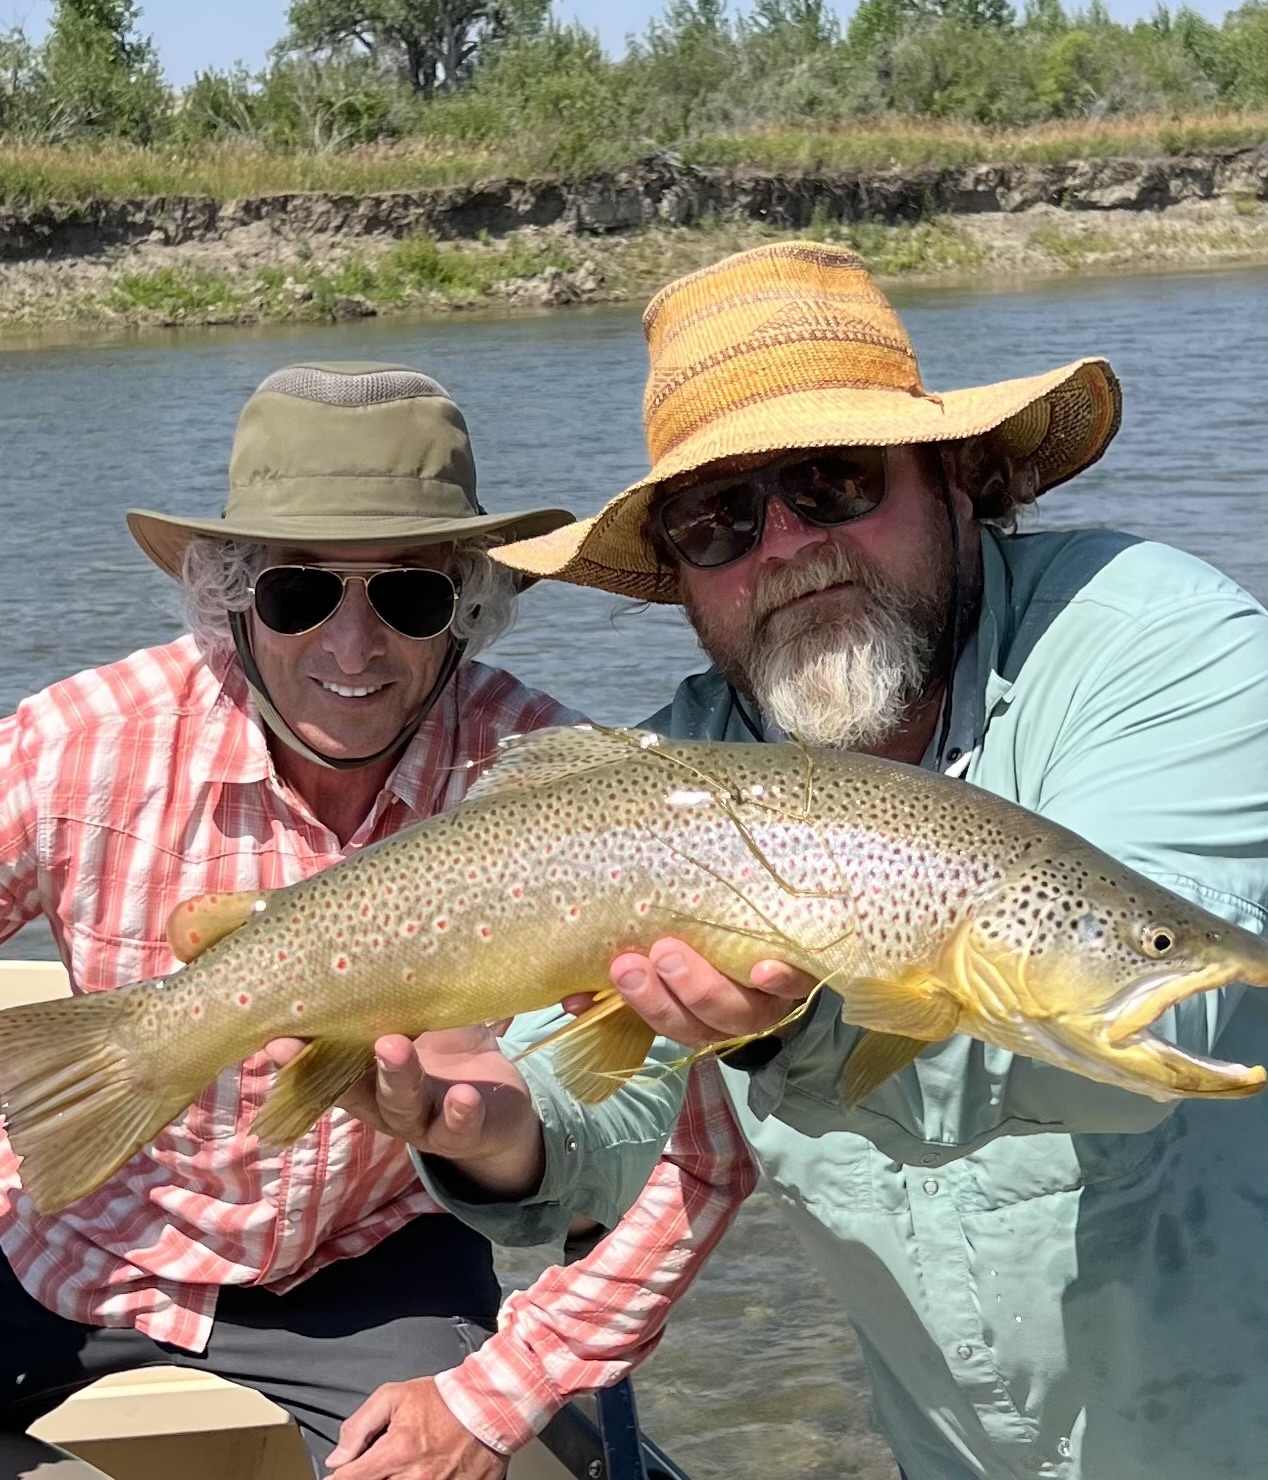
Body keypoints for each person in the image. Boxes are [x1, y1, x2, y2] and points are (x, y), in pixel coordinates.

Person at [335, 245, 1268, 1480]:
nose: (781, 546)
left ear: (958, 476)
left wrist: (790, 1031)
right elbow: (606, 1115)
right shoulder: (675, 770)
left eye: (830, 480)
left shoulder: (1153, 641)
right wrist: (491, 1128)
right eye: (714, 519)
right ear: (676, 578)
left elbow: (1175, 1016)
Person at [0, 360, 681, 1475]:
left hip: (369, 1263)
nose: (351, 647)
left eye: (407, 594)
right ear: (231, 596)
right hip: (69, 1239)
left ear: (469, 602)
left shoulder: (567, 789)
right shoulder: (81, 744)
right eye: (298, 592)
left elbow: (636, 1126)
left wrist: (508, 1145)